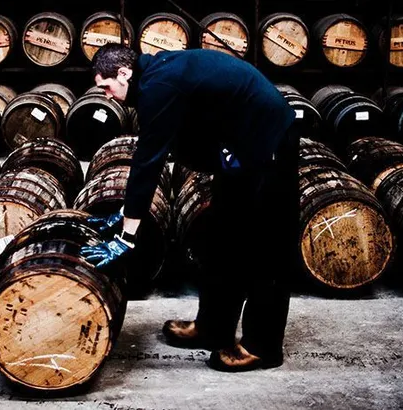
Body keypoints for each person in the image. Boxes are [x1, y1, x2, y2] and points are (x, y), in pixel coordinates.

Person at [79, 44, 299, 372]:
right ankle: (213, 327)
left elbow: (148, 162)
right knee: (220, 235)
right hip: (238, 149)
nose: (107, 96)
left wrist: (127, 236)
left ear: (124, 73)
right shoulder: (154, 78)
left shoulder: (158, 85)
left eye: (106, 87)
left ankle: (262, 346)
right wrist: (127, 210)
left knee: (264, 249)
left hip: (269, 143)